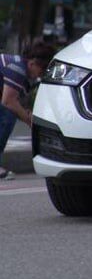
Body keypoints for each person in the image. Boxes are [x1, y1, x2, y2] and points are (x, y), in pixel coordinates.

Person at [0, 41, 56, 180]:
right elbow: (9, 101)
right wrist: (29, 120)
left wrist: (26, 114)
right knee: (8, 116)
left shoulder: (19, 69)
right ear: (32, 64)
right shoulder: (17, 69)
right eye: (41, 71)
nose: (40, 75)